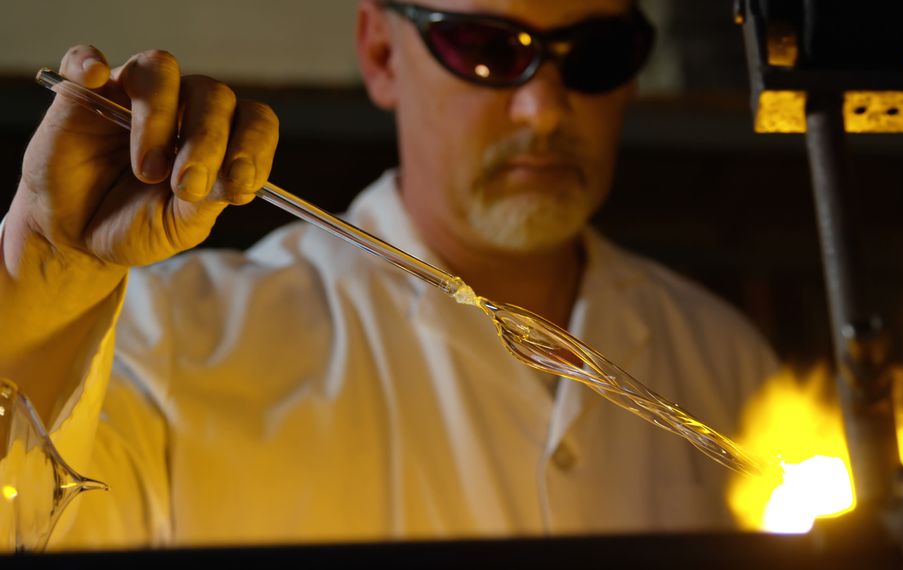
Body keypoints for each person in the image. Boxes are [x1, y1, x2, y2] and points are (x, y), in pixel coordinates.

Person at [0, 0, 776, 549]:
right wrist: (47, 269)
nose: (543, 108)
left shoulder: (724, 359)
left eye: (597, 54)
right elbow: (27, 524)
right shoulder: (179, 340)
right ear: (380, 52)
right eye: (487, 48)